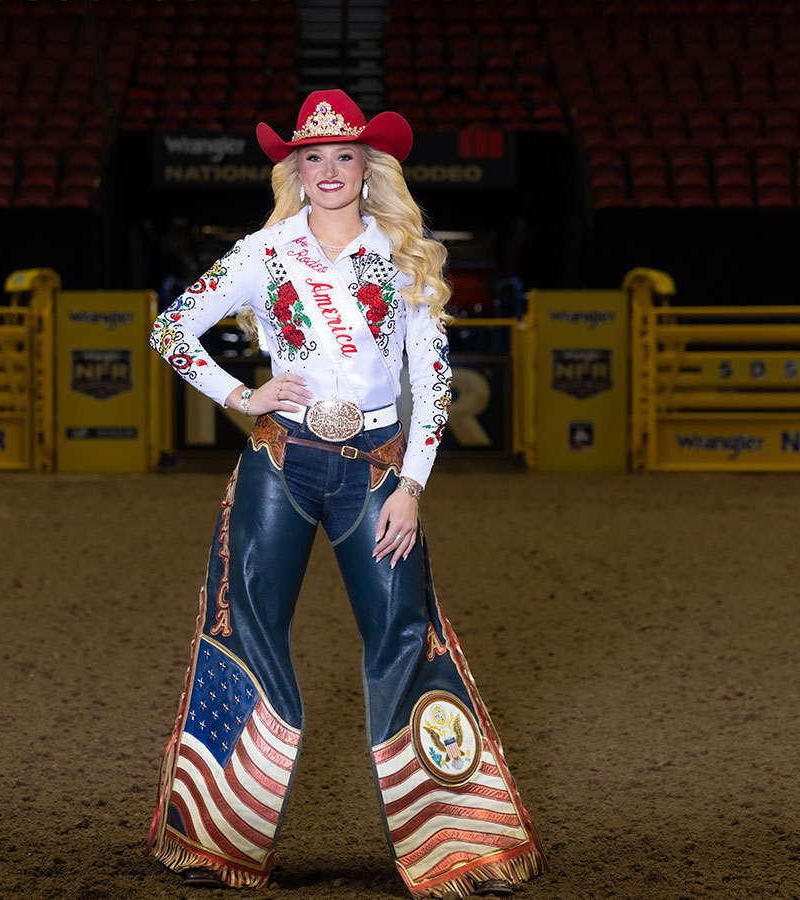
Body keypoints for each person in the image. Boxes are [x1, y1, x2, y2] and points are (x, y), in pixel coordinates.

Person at [144, 90, 546, 899]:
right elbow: (170, 329)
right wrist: (238, 393)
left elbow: (431, 385)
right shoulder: (262, 252)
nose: (328, 170)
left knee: (404, 636)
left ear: (371, 167)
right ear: (295, 168)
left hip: (376, 473)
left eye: (344, 155)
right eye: (312, 157)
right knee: (245, 626)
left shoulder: (406, 254)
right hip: (279, 463)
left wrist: (413, 486)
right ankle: (220, 841)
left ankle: (459, 849)